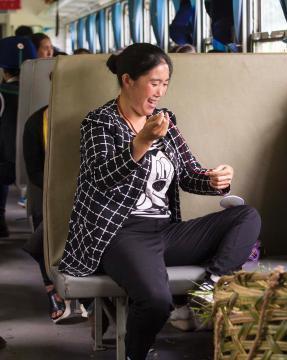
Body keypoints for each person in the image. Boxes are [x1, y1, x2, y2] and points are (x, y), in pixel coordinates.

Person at [58, 43, 260, 360]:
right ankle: (134, 353)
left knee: (246, 217)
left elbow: (187, 173)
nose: (160, 93)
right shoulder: (99, 123)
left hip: (164, 232)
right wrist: (140, 143)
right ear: (128, 80)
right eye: (154, 83)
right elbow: (102, 178)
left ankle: (208, 287)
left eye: (165, 84)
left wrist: (213, 179)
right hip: (119, 234)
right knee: (156, 300)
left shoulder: (165, 120)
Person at [22, 104, 69, 322]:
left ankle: (87, 298)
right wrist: (58, 191)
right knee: (44, 232)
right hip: (48, 191)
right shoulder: (35, 122)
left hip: (83, 191)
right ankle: (52, 288)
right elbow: (34, 172)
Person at [0, 36, 36, 237]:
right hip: (36, 161)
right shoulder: (44, 93)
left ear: (4, 71)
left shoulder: (2, 94)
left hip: (5, 159)